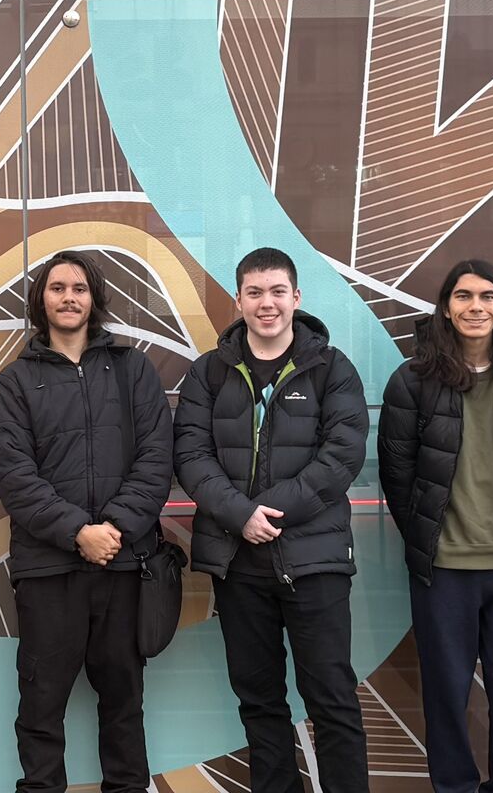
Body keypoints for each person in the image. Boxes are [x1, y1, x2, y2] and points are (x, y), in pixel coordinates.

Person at [173, 246, 371, 793]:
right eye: (255, 293)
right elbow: (190, 456)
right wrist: (241, 516)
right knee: (259, 702)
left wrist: (271, 512)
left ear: (296, 298)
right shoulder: (208, 373)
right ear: (238, 300)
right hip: (239, 563)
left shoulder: (333, 368)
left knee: (331, 698)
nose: (267, 304)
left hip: (315, 562)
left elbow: (342, 456)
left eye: (277, 292)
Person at [0, 249, 174, 793]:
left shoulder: (133, 369)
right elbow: (15, 476)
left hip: (123, 564)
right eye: (57, 288)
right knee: (41, 706)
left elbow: (156, 458)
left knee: (123, 701)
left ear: (94, 299)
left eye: (79, 288)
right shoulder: (17, 381)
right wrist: (77, 532)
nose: (69, 297)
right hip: (48, 568)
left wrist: (112, 530)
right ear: (40, 300)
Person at [377, 258, 493, 793]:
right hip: (443, 569)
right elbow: (397, 474)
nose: (475, 306)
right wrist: (427, 539)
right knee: (445, 693)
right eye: (463, 296)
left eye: (486, 296)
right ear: (446, 308)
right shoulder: (412, 381)